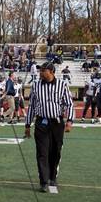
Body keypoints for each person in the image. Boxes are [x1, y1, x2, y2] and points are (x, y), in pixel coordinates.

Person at [24, 62, 74, 193]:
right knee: (42, 152)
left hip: (57, 123)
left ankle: (52, 177)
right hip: (41, 123)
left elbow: (69, 104)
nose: (41, 73)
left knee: (55, 151)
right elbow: (32, 106)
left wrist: (70, 121)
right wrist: (27, 124)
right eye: (40, 71)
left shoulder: (62, 85)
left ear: (52, 72)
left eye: (43, 71)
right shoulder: (36, 85)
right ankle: (44, 181)